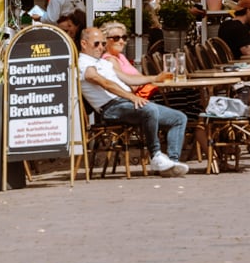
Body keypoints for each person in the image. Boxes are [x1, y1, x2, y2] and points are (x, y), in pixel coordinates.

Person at [78, 26, 188, 176]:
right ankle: (155, 155)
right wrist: (131, 96)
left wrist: (155, 78)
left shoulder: (102, 63)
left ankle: (171, 163)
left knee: (179, 118)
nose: (101, 47)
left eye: (103, 44)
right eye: (96, 43)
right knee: (149, 110)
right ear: (84, 44)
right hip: (111, 108)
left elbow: (127, 78)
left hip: (125, 102)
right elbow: (104, 83)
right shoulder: (83, 63)